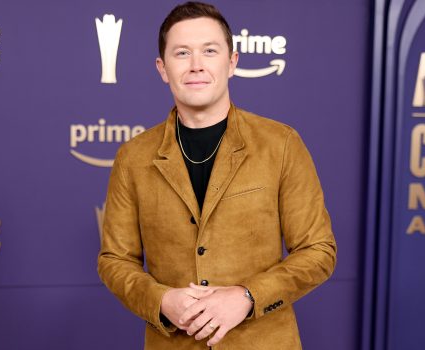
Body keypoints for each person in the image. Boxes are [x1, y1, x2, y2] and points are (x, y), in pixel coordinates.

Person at [97, 2, 337, 349]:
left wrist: (246, 297)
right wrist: (162, 301)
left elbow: (318, 251)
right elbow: (115, 260)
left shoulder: (281, 144)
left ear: (232, 62)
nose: (196, 65)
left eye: (209, 51)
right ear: (163, 69)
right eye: (182, 53)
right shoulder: (133, 157)